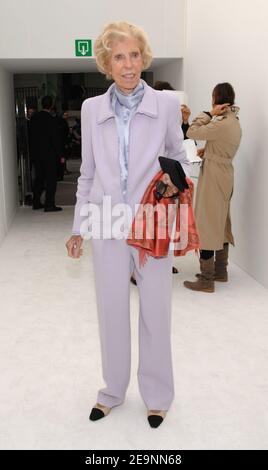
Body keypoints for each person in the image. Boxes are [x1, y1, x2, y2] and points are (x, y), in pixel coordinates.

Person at [65, 21, 190, 428]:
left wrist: (178, 177)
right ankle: (112, 392)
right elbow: (87, 173)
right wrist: (77, 225)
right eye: (119, 56)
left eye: (134, 54)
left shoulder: (167, 105)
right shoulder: (91, 110)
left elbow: (183, 158)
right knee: (111, 312)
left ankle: (157, 396)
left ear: (143, 57)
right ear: (107, 62)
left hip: (151, 221)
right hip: (106, 222)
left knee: (156, 311)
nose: (128, 64)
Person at [183, 83, 242, 293]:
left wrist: (208, 113)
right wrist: (207, 151)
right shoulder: (233, 121)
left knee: (207, 224)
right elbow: (222, 145)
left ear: (217, 98)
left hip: (214, 176)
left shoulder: (220, 123)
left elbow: (192, 131)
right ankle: (220, 271)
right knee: (221, 222)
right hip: (225, 174)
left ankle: (207, 280)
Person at [29, 96, 62, 211]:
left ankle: (36, 202)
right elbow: (55, 139)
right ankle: (49, 204)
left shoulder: (34, 118)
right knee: (51, 180)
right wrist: (60, 154)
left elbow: (30, 137)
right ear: (52, 105)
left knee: (39, 178)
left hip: (37, 154)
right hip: (49, 154)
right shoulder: (51, 119)